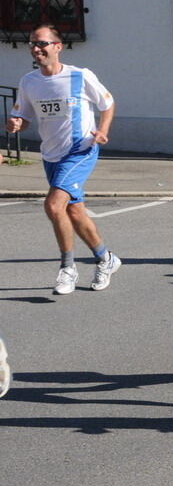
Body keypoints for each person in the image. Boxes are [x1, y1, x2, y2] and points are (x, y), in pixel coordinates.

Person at [6, 24, 121, 295]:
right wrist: (15, 124)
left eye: (43, 43)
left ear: (58, 47)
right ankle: (106, 259)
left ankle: (67, 268)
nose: (36, 48)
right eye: (33, 43)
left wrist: (102, 131)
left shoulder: (80, 76)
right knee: (74, 211)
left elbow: (107, 103)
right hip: (51, 155)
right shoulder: (29, 81)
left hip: (81, 150)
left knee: (54, 205)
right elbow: (23, 119)